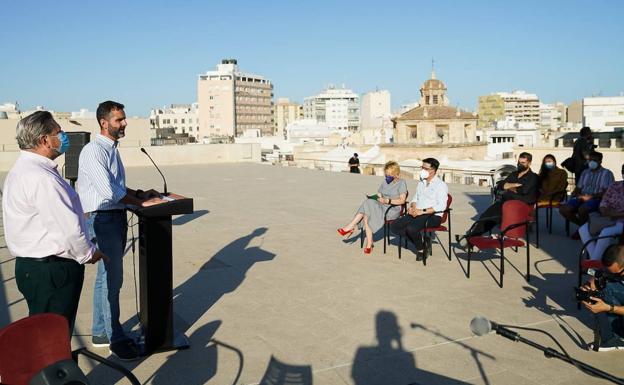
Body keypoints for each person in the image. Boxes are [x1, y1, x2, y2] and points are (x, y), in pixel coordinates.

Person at [2, 111, 107, 334]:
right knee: (53, 337)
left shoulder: (24, 170)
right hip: (52, 271)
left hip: (34, 267)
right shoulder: (42, 178)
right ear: (44, 140)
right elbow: (68, 231)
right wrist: (89, 253)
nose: (64, 135)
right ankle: (53, 369)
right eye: (58, 132)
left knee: (43, 334)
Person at [77, 101, 164, 360]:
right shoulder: (94, 151)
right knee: (112, 281)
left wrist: (139, 193)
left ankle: (101, 332)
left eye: (123, 119)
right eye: (119, 120)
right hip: (103, 220)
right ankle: (116, 338)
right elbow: (108, 192)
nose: (124, 123)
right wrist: (142, 203)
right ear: (104, 122)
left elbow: (117, 187)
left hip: (112, 218)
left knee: (106, 279)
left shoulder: (111, 150)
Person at [456, 152, 538, 247]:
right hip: (504, 202)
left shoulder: (533, 178)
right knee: (485, 216)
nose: (520, 164)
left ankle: (469, 238)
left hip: (518, 206)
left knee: (493, 218)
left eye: (523, 163)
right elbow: (500, 185)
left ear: (529, 163)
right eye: (519, 162)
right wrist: (513, 186)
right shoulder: (514, 174)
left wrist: (508, 187)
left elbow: (523, 191)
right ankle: (471, 237)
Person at [338, 161, 407, 254]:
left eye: (389, 174)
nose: (387, 176)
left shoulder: (402, 183)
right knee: (368, 206)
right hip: (381, 205)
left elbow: (402, 200)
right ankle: (369, 243)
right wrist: (374, 196)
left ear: (395, 173)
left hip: (392, 209)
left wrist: (388, 201)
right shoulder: (386, 181)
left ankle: (352, 228)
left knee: (368, 209)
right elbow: (379, 193)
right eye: (386, 174)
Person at [390, 158, 448, 260]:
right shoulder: (422, 182)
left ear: (433, 170)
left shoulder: (441, 185)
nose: (422, 170)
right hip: (417, 212)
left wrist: (422, 211)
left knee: (411, 229)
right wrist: (412, 207)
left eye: (425, 168)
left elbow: (441, 206)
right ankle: (422, 244)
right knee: (394, 226)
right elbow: (416, 197)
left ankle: (420, 249)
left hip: (433, 215)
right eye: (422, 167)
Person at [559, 151, 614, 238]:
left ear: (600, 162)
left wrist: (590, 197)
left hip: (596, 199)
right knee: (563, 209)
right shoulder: (585, 172)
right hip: (581, 197)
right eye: (590, 160)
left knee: (582, 209)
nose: (591, 162)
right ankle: (583, 227)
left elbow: (606, 192)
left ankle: (581, 231)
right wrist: (575, 194)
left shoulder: (606, 173)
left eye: (594, 160)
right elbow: (579, 187)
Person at [582, 245, 624, 351]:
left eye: (617, 273)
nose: (613, 275)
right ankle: (613, 337)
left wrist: (608, 308)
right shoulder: (616, 265)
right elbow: (601, 276)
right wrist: (588, 286)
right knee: (602, 288)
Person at [579, 164, 624, 260]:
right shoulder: (615, 185)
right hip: (608, 217)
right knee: (583, 229)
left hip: (621, 220)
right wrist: (604, 209)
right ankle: (596, 261)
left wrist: (615, 214)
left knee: (605, 232)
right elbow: (604, 202)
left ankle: (594, 264)